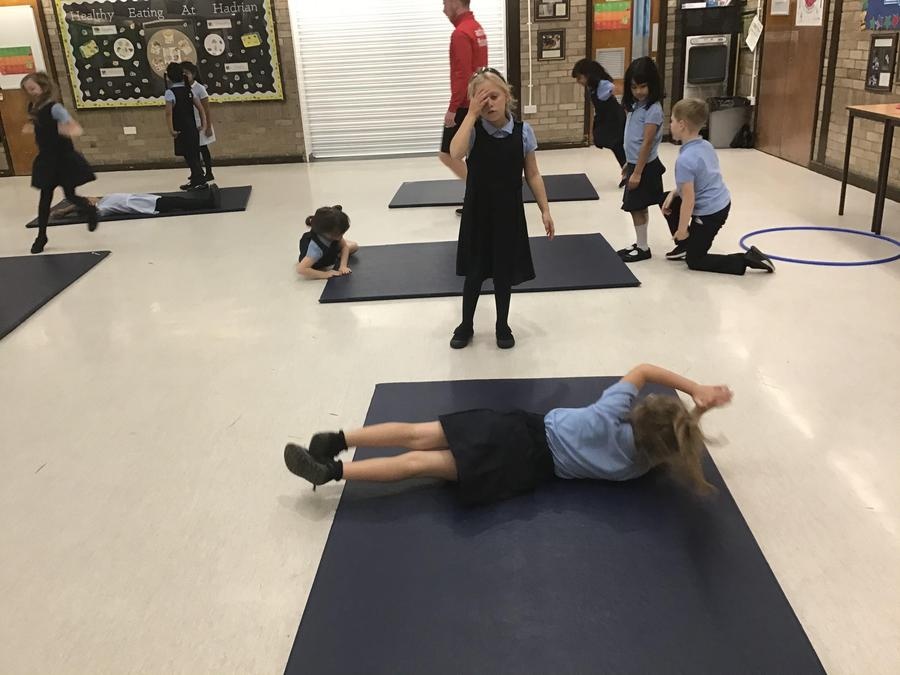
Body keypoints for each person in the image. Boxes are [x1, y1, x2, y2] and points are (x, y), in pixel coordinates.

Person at [283, 363, 733, 506]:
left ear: (635, 413)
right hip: (524, 469)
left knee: (418, 436)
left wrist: (698, 393)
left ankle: (338, 439)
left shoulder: (606, 413)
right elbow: (674, 440)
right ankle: (334, 471)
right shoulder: (637, 466)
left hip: (516, 428)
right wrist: (691, 419)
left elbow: (644, 370)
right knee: (421, 465)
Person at [447, 67, 554, 350]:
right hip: (478, 214)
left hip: (508, 215)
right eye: (481, 100)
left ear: (507, 96)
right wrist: (470, 115)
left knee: (503, 274)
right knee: (474, 273)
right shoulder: (473, 131)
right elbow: (455, 152)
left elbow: (533, 174)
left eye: (494, 97)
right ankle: (466, 324)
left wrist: (545, 210)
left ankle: (502, 324)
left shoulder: (522, 132)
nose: (489, 104)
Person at [661, 98, 774, 274]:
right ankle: (686, 246)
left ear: (681, 125)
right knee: (667, 198)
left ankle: (747, 259)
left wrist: (682, 230)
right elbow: (704, 178)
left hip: (711, 212)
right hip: (720, 201)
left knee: (695, 260)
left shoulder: (685, 160)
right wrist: (675, 192)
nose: (670, 124)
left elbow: (689, 200)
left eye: (672, 121)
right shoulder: (705, 145)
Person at [20, 72, 98, 255]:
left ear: (43, 87)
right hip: (47, 159)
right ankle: (41, 236)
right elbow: (39, 125)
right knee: (44, 199)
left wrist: (69, 129)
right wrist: (31, 127)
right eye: (27, 90)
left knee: (70, 195)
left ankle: (89, 209)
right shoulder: (34, 108)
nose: (30, 93)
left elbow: (74, 126)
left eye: (32, 88)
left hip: (63, 159)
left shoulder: (55, 108)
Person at [439, 0, 488, 197]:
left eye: (445, 3)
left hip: (466, 104)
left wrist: (453, 108)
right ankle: (481, 195)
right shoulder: (476, 28)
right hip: (478, 100)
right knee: (474, 156)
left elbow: (463, 75)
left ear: (455, 2)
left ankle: (480, 195)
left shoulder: (460, 33)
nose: (443, 9)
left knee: (447, 154)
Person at [618, 57, 665, 263]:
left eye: (643, 86)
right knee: (639, 206)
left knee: (635, 206)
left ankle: (643, 247)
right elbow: (633, 139)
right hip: (636, 163)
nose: (639, 91)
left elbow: (646, 143)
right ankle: (641, 243)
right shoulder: (637, 106)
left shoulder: (653, 109)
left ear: (652, 85)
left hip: (644, 166)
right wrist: (629, 163)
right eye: (634, 87)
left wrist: (637, 172)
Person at [571, 58, 626, 171]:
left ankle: (628, 169)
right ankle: (626, 168)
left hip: (615, 118)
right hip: (605, 117)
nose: (578, 81)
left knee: (618, 145)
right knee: (611, 144)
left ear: (588, 75)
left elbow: (618, 89)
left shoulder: (603, 84)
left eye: (579, 78)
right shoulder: (592, 87)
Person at [50, 184, 221, 220]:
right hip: (151, 206)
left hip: (150, 200)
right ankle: (208, 203)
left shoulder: (104, 200)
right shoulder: (103, 209)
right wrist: (65, 212)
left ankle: (207, 201)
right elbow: (82, 203)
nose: (91, 198)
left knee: (179, 201)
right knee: (179, 202)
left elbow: (84, 200)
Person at [163, 62, 208, 191]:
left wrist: (171, 129)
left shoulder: (170, 93)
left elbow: (168, 113)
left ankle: (200, 181)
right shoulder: (189, 90)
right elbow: (201, 109)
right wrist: (203, 124)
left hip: (181, 130)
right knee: (193, 155)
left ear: (169, 77)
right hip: (192, 128)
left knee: (190, 156)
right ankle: (195, 179)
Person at [296, 205, 359, 280]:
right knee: (345, 246)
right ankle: (332, 255)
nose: (341, 237)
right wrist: (325, 274)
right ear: (324, 233)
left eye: (342, 234)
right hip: (317, 261)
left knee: (354, 246)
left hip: (328, 252)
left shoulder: (333, 234)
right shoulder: (316, 248)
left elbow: (344, 247)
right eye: (338, 235)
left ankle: (334, 255)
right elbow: (301, 269)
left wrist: (343, 266)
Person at [181, 61, 215, 183]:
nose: (184, 75)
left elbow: (206, 109)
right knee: (192, 150)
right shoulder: (182, 88)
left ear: (193, 74)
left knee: (203, 148)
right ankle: (196, 172)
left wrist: (208, 126)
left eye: (187, 73)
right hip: (189, 123)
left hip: (201, 122)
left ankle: (209, 172)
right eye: (182, 73)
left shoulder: (199, 88)